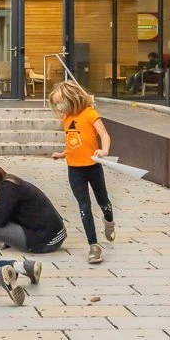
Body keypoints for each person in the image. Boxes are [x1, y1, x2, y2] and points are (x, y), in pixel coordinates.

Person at [50, 80, 115, 264]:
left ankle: (109, 220)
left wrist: (104, 150)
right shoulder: (66, 118)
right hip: (74, 169)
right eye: (56, 104)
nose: (58, 107)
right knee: (84, 206)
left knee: (103, 201)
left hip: (93, 166)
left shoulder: (89, 113)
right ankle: (94, 246)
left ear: (71, 98)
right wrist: (63, 154)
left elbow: (104, 135)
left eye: (60, 102)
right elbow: (73, 142)